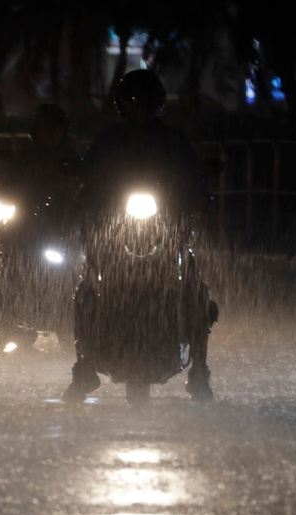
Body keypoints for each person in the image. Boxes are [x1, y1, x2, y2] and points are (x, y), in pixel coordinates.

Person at [62, 69, 217, 402]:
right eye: (133, 103)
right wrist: (81, 196)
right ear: (122, 105)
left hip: (167, 235)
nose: (140, 110)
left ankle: (200, 372)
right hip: (114, 237)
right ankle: (84, 369)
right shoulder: (108, 142)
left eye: (146, 103)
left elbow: (194, 178)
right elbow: (87, 180)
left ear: (158, 104)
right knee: (87, 291)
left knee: (196, 293)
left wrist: (201, 194)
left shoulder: (174, 142)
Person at [0, 104, 80, 353]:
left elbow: (85, 192)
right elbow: (4, 191)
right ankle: (8, 324)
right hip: (25, 231)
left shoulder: (72, 160)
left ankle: (76, 322)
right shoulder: (23, 160)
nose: (50, 134)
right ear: (35, 131)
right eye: (45, 129)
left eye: (55, 129)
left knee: (83, 274)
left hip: (62, 230)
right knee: (5, 270)